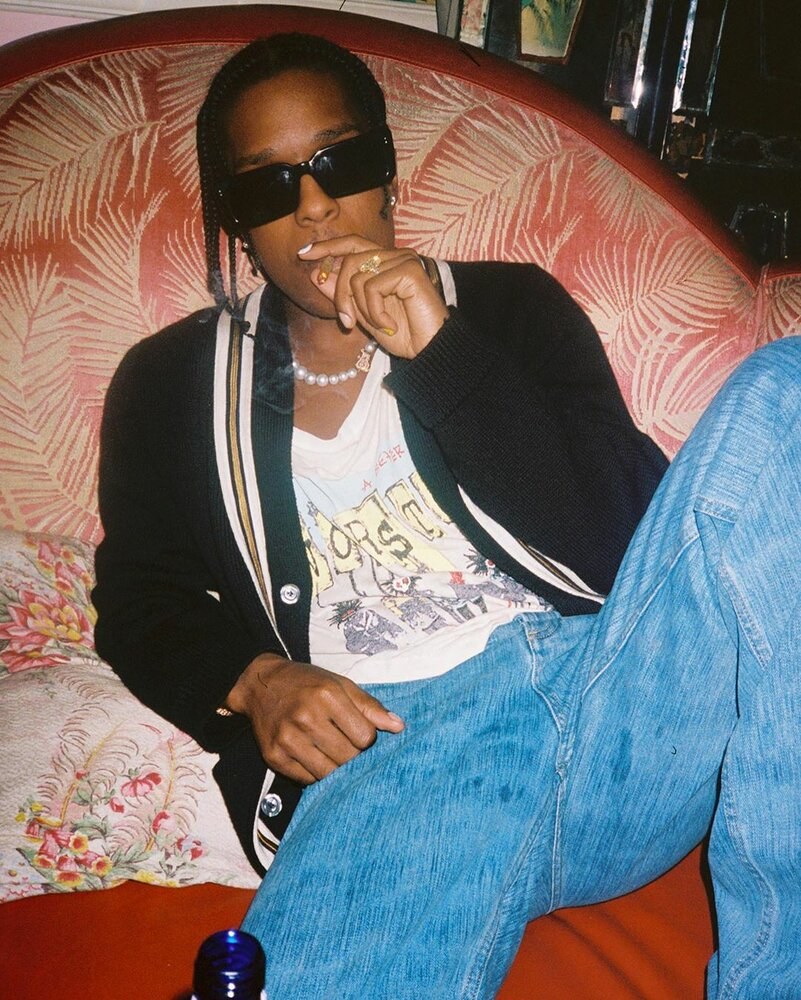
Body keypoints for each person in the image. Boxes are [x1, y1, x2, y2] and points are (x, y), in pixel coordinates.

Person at [92, 32, 801, 1000]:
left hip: (615, 714)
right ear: (237, 221)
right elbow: (141, 596)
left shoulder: (510, 307)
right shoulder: (170, 383)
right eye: (269, 185)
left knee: (787, 391)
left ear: (388, 171)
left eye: (340, 163)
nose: (313, 206)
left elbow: (623, 544)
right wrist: (256, 682)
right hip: (400, 744)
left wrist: (442, 351)